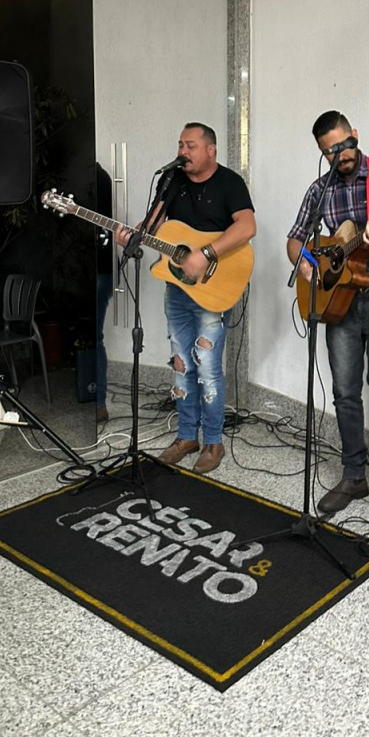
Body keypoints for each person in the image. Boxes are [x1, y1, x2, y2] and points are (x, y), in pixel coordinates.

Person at [286, 111, 369, 533]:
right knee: (344, 392)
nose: (338, 155)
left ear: (354, 136)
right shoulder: (320, 190)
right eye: (328, 152)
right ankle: (354, 476)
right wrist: (307, 266)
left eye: (342, 146)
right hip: (339, 301)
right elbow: (295, 239)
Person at [116, 123, 255, 474]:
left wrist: (206, 254)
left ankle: (213, 442)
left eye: (190, 145)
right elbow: (153, 225)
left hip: (213, 288)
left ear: (211, 150)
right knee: (181, 364)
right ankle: (186, 436)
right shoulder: (172, 181)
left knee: (207, 367)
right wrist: (132, 236)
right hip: (177, 288)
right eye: (180, 144)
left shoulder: (230, 183)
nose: (183, 151)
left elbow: (247, 227)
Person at [95, 163, 114, 425]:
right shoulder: (100, 176)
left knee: (93, 337)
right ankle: (96, 403)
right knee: (94, 336)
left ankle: (98, 403)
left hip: (99, 268)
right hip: (98, 269)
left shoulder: (96, 177)